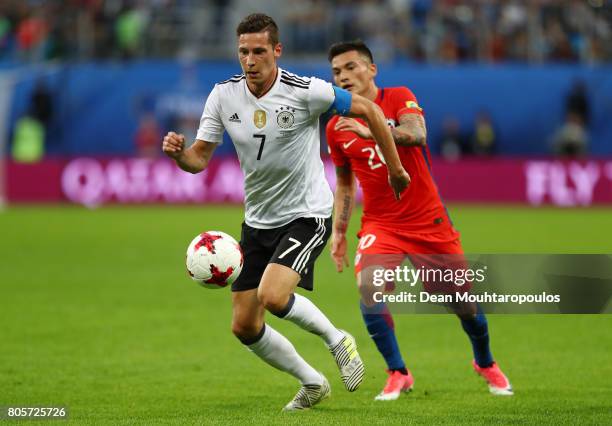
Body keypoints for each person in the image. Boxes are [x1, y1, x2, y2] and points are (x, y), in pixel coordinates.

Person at [162, 15, 410, 410]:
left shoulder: (306, 91)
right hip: (257, 220)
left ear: (276, 51)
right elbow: (199, 158)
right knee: (244, 325)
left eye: (259, 51)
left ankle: (337, 339)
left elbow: (371, 112)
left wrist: (396, 168)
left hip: (306, 214)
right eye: (243, 51)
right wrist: (179, 155)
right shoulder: (223, 96)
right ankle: (312, 382)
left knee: (274, 296)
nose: (250, 60)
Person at [325, 40, 513, 401]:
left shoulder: (397, 97)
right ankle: (398, 371)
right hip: (381, 225)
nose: (343, 77)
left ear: (372, 69)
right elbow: (345, 182)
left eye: (351, 67)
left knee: (464, 305)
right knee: (369, 290)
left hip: (428, 222)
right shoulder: (335, 126)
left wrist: (377, 130)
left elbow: (418, 134)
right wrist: (339, 232)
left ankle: (485, 361)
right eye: (336, 72)